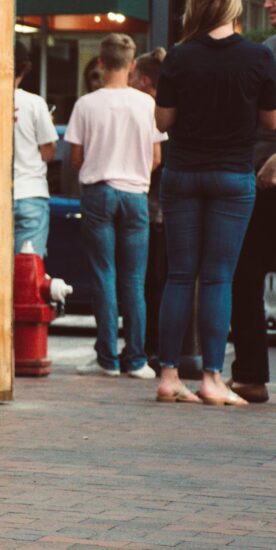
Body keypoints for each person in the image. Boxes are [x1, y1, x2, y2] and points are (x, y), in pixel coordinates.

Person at [154, 0, 276, 405]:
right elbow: (271, 121)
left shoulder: (179, 55)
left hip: (183, 172)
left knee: (180, 275)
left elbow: (162, 121)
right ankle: (211, 378)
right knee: (218, 277)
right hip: (232, 175)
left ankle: (169, 376)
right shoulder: (258, 56)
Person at [65, 33, 163, 380]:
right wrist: (132, 172)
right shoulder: (147, 105)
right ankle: (136, 360)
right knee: (134, 281)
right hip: (136, 196)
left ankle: (107, 358)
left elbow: (75, 158)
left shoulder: (86, 105)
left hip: (99, 192)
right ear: (132, 64)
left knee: (103, 276)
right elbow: (156, 157)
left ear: (101, 63)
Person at [229, 0, 276, 404]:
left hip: (267, 179)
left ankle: (250, 374)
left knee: (246, 274)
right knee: (245, 275)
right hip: (259, 176)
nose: (267, 3)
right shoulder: (269, 49)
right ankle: (250, 375)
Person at [128, 48, 168, 369]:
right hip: (160, 210)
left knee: (148, 283)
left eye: (131, 77)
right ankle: (152, 348)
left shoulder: (154, 111)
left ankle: (147, 347)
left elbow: (156, 161)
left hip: (153, 208)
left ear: (143, 81)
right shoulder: (160, 111)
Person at [13, 41, 57, 258]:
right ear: (25, 67)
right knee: (28, 271)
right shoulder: (34, 103)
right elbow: (48, 153)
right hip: (31, 192)